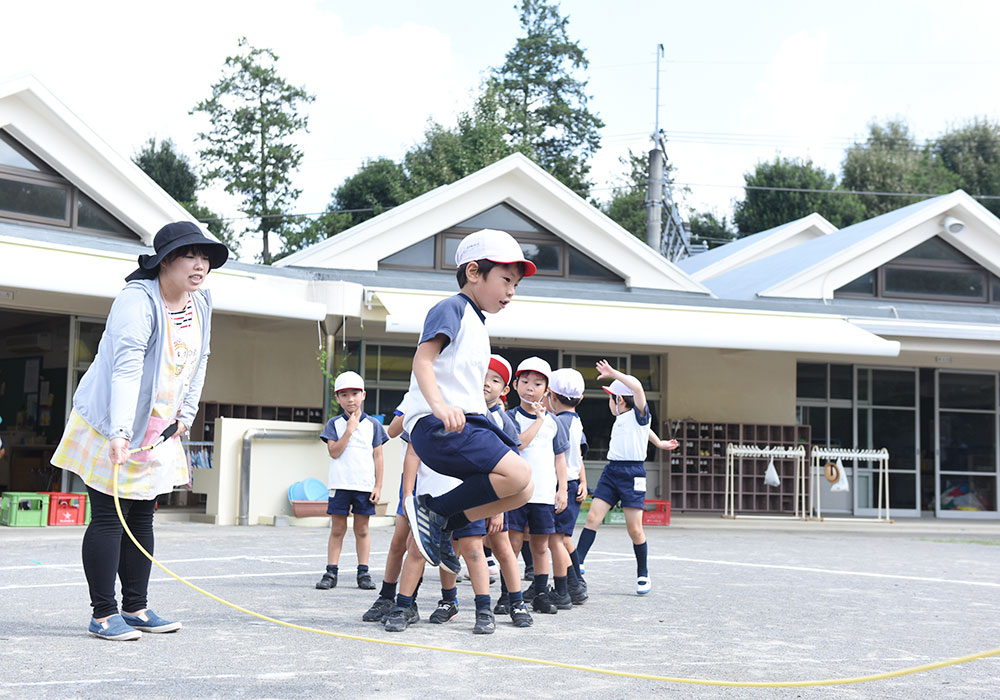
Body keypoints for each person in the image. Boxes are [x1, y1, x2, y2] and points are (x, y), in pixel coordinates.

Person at [50, 221, 228, 640]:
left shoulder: (201, 301)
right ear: (165, 261)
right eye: (191, 255)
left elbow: (199, 358)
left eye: (205, 258)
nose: (200, 265)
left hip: (158, 427)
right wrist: (118, 433)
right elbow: (126, 369)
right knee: (111, 517)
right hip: (112, 421)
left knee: (144, 514)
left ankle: (136, 606)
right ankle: (103, 613)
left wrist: (185, 414)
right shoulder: (136, 301)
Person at [401, 228, 536, 567]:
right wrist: (440, 406)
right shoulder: (452, 307)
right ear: (474, 272)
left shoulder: (477, 321)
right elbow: (423, 360)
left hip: (469, 423)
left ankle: (445, 522)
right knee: (517, 474)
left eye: (516, 285)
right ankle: (434, 511)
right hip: (440, 427)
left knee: (523, 490)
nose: (511, 291)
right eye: (506, 279)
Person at [574, 360, 677, 595]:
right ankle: (577, 563)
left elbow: (638, 389)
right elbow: (645, 429)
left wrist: (614, 374)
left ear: (619, 400)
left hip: (633, 474)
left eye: (612, 398)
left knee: (634, 528)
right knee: (592, 517)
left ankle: (643, 573)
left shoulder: (638, 412)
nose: (610, 403)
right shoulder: (625, 419)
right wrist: (659, 442)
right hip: (612, 472)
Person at [506, 357, 572, 614]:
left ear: (547, 391)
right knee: (511, 544)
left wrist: (563, 489)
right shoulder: (510, 417)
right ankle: (507, 594)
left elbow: (560, 458)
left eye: (537, 383)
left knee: (540, 545)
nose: (530, 388)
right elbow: (519, 444)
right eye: (524, 382)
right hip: (515, 493)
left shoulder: (555, 423)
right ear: (515, 385)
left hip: (544, 495)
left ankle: (542, 594)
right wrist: (539, 421)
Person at [316, 371, 387, 591]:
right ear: (337, 398)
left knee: (362, 529)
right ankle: (331, 571)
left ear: (363, 395)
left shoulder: (374, 425)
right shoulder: (334, 424)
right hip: (340, 484)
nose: (350, 399)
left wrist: (378, 485)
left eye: (355, 393)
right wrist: (349, 431)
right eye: (344, 394)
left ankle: (363, 572)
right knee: (337, 529)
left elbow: (378, 456)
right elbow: (334, 452)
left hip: (364, 485)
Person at [481, 354, 532, 627]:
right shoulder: (464, 410)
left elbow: (511, 467)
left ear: (505, 389)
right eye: (483, 375)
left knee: (503, 550)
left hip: (494, 499)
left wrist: (498, 507)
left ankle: (517, 603)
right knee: (460, 548)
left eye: (495, 379)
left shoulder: (503, 421)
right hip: (466, 497)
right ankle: (450, 600)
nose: (487, 383)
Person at [362, 408, 420, 622]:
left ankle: (410, 601)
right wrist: (418, 402)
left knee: (420, 545)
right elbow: (394, 430)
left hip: (440, 479)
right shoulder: (415, 399)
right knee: (398, 543)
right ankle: (387, 596)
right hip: (411, 480)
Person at [546, 367, 589, 604]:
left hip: (560, 485)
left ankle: (565, 588)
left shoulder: (555, 422)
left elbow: (558, 456)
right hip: (573, 483)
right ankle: (576, 584)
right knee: (564, 538)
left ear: (551, 395)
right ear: (580, 399)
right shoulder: (576, 422)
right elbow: (579, 456)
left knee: (555, 540)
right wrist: (584, 480)